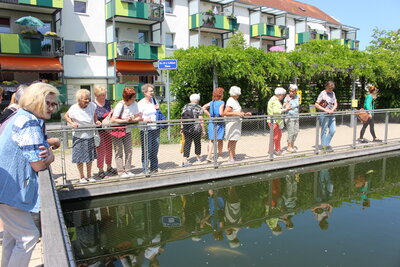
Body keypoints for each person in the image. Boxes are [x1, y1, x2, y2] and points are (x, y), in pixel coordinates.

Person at [0, 82, 58, 267]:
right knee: (28, 237)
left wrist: (47, 152)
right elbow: (39, 164)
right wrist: (51, 158)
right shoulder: (29, 121)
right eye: (48, 103)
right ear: (35, 102)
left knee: (12, 236)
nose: (52, 108)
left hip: (8, 189)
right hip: (10, 190)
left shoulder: (21, 116)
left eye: (53, 104)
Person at [65, 89, 101, 183]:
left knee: (90, 157)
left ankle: (89, 176)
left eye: (88, 98)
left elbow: (94, 114)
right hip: (79, 136)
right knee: (80, 158)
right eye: (85, 99)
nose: (87, 101)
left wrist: (96, 120)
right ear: (79, 99)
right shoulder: (74, 107)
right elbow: (66, 116)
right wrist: (72, 123)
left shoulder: (92, 106)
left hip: (90, 135)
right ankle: (81, 177)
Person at [111, 87, 142, 177]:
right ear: (127, 98)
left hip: (127, 131)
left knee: (129, 151)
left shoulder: (135, 104)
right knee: (119, 151)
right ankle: (121, 172)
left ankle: (128, 170)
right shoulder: (120, 105)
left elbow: (137, 116)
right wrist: (125, 120)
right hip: (117, 131)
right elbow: (113, 119)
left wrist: (132, 119)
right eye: (132, 98)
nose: (134, 99)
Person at [224, 86, 251, 163]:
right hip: (232, 123)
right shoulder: (230, 101)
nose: (239, 95)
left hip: (236, 123)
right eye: (238, 94)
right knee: (232, 140)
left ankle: (233, 156)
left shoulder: (235, 100)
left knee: (235, 140)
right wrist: (238, 113)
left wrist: (245, 114)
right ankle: (230, 157)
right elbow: (225, 113)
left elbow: (238, 112)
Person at [93, 86, 116, 178]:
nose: (104, 96)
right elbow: (91, 116)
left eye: (104, 94)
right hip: (99, 130)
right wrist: (96, 121)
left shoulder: (107, 102)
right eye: (102, 95)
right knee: (101, 150)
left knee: (109, 149)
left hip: (108, 129)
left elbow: (110, 113)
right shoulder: (92, 104)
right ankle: (100, 170)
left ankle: (109, 166)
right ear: (97, 95)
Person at [138, 84, 160, 173]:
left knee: (155, 148)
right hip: (146, 129)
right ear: (145, 92)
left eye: (152, 91)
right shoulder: (140, 103)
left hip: (155, 128)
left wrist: (158, 109)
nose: (152, 92)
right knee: (147, 149)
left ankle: (154, 167)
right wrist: (144, 119)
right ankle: (145, 168)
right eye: (150, 91)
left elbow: (156, 112)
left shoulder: (154, 101)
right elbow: (138, 116)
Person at [180, 93, 206, 167]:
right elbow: (201, 119)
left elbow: (182, 117)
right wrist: (203, 130)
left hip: (187, 128)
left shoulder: (185, 106)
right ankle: (198, 157)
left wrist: (181, 127)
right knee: (197, 142)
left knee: (187, 143)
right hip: (196, 128)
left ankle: (185, 159)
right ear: (197, 100)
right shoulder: (198, 107)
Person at [203, 87, 225, 162]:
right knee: (220, 139)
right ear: (221, 95)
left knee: (211, 140)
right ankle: (220, 154)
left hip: (211, 122)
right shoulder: (221, 102)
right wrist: (225, 115)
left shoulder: (212, 102)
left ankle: (209, 155)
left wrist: (209, 115)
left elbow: (203, 107)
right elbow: (221, 113)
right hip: (219, 122)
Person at [267, 87, 291, 156]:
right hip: (274, 121)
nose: (283, 97)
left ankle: (277, 149)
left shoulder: (275, 100)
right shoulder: (274, 100)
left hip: (277, 121)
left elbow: (278, 108)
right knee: (275, 137)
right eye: (283, 95)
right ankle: (271, 151)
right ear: (279, 94)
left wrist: (284, 106)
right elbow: (276, 111)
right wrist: (285, 109)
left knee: (278, 136)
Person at [315, 81, 337, 152]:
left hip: (331, 114)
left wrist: (332, 110)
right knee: (324, 130)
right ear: (326, 87)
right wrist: (325, 110)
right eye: (329, 88)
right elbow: (316, 104)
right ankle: (324, 146)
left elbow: (335, 103)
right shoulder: (323, 93)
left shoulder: (333, 93)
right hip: (324, 114)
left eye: (332, 88)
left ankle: (327, 144)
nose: (331, 90)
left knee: (333, 130)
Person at [283, 84, 299, 153]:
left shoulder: (297, 97)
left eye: (293, 91)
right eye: (290, 91)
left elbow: (297, 105)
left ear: (295, 91)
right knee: (291, 132)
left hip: (296, 116)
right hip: (289, 117)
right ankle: (289, 147)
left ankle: (292, 145)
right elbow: (284, 106)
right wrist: (288, 101)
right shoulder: (287, 97)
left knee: (296, 132)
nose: (291, 93)